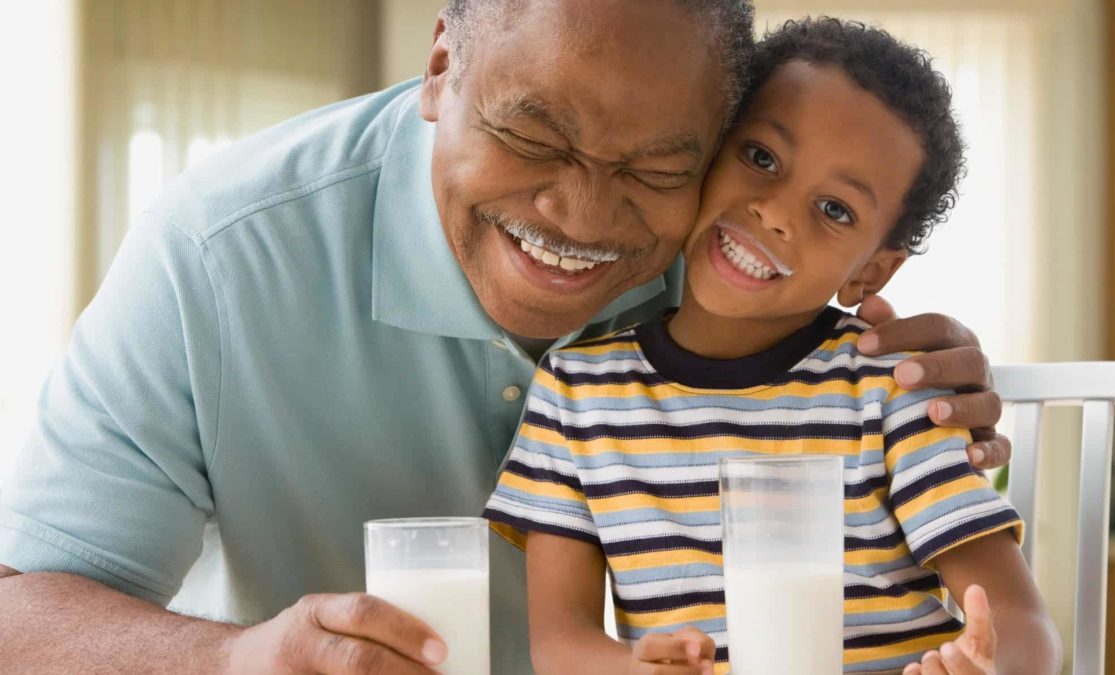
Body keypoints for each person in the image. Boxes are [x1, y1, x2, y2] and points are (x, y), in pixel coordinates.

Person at [0, 2, 1012, 673]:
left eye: (658, 167)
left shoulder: (728, 243)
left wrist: (914, 375)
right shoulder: (217, 254)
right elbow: (18, 613)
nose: (581, 214)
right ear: (442, 64)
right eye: (532, 136)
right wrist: (232, 661)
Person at [483, 17, 1060, 675]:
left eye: (835, 210)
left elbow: (1022, 624)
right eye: (761, 158)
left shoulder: (891, 390)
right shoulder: (576, 393)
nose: (777, 212)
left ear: (869, 273)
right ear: (704, 152)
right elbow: (560, 643)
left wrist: (987, 665)